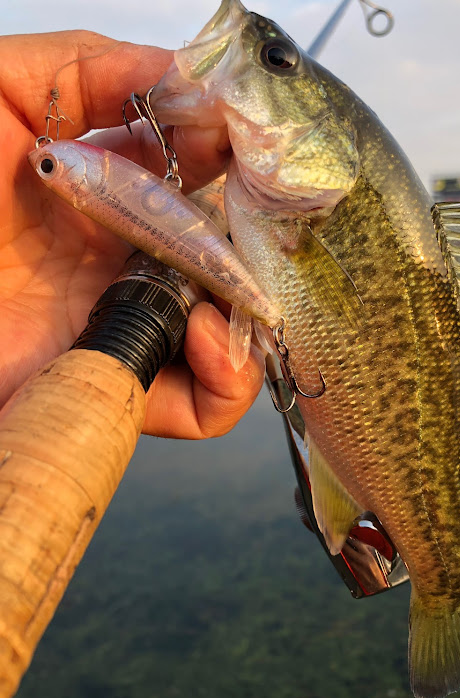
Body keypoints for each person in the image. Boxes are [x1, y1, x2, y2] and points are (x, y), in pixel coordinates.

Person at [0, 30, 265, 438]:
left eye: (47, 164)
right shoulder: (84, 180)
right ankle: (262, 308)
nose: (43, 154)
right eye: (49, 166)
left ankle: (261, 308)